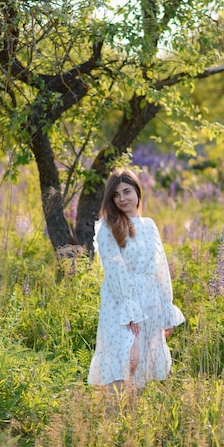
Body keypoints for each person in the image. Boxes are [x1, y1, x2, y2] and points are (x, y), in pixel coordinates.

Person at [88, 168, 185, 392]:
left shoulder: (149, 225)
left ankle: (130, 422)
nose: (122, 199)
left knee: (141, 365)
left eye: (126, 191)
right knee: (123, 360)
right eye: (116, 194)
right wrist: (128, 308)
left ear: (138, 193)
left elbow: (160, 270)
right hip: (121, 302)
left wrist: (166, 310)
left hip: (149, 301)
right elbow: (114, 270)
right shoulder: (108, 227)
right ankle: (113, 419)